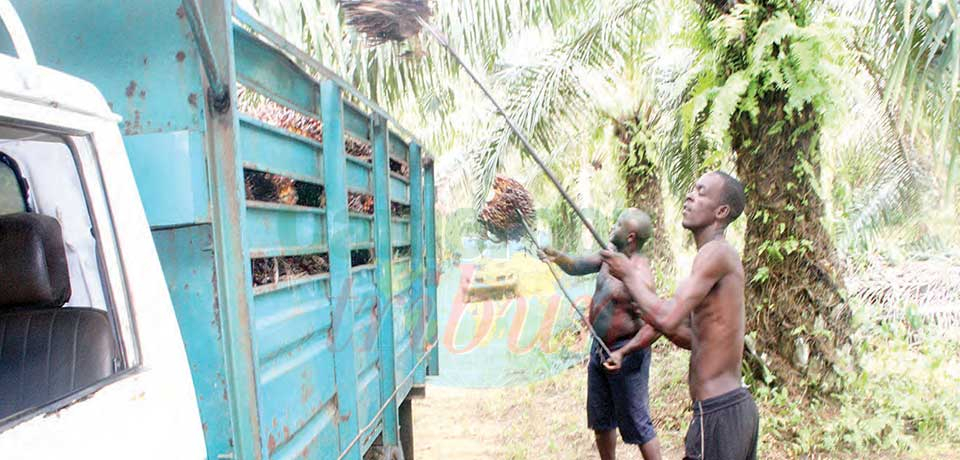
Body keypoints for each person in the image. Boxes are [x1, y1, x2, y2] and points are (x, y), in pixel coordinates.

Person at [600, 171, 758, 460]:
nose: (689, 195)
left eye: (701, 192)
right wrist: (632, 342)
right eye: (691, 189)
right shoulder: (710, 261)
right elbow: (688, 334)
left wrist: (628, 275)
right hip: (731, 410)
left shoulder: (715, 253)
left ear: (721, 212)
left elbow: (668, 318)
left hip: (718, 412)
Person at [539, 208, 662, 460]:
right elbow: (577, 266)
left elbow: (656, 325)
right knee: (601, 419)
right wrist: (556, 256)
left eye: (617, 225)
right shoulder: (610, 256)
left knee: (638, 422)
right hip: (600, 349)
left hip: (626, 354)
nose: (611, 228)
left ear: (631, 237)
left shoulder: (640, 275)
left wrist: (624, 352)